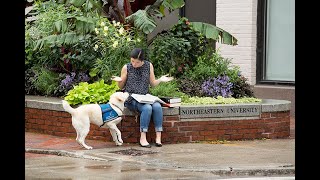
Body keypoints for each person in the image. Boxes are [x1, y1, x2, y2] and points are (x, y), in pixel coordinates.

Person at [111, 48, 173, 148]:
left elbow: (153, 84)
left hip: (145, 96)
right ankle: (143, 137)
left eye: (137, 62)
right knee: (147, 108)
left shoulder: (149, 66)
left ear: (142, 61)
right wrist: (119, 81)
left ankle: (158, 137)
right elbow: (121, 87)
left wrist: (160, 80)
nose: (134, 64)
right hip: (131, 98)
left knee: (157, 106)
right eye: (132, 61)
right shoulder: (126, 67)